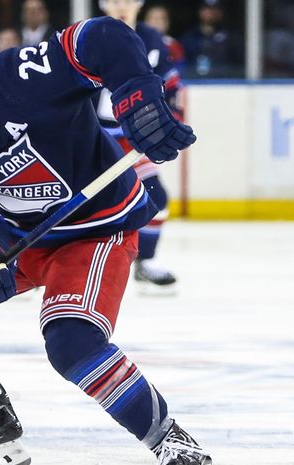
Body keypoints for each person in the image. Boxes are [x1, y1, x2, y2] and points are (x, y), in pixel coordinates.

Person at [0, 20, 225, 465]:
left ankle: (172, 441)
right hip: (20, 236)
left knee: (72, 344)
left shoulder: (24, 77)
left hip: (96, 230)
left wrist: (136, 95)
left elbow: (105, 38)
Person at [97, 0, 184, 289]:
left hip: (134, 137)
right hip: (95, 138)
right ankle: (34, 266)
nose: (122, 6)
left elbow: (171, 85)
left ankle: (145, 261)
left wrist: (170, 119)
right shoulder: (89, 36)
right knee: (68, 204)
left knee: (156, 196)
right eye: (114, 0)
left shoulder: (151, 38)